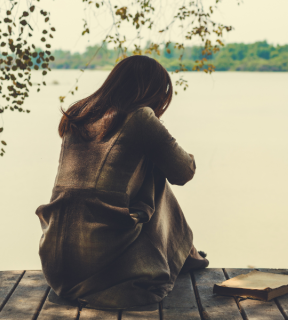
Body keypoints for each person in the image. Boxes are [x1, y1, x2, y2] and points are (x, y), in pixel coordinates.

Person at [35, 55, 209, 310]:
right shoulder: (140, 117)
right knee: (156, 171)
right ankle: (184, 254)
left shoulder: (77, 114)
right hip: (101, 261)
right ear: (151, 91)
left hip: (57, 262)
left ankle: (186, 254)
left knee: (145, 165)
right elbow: (183, 171)